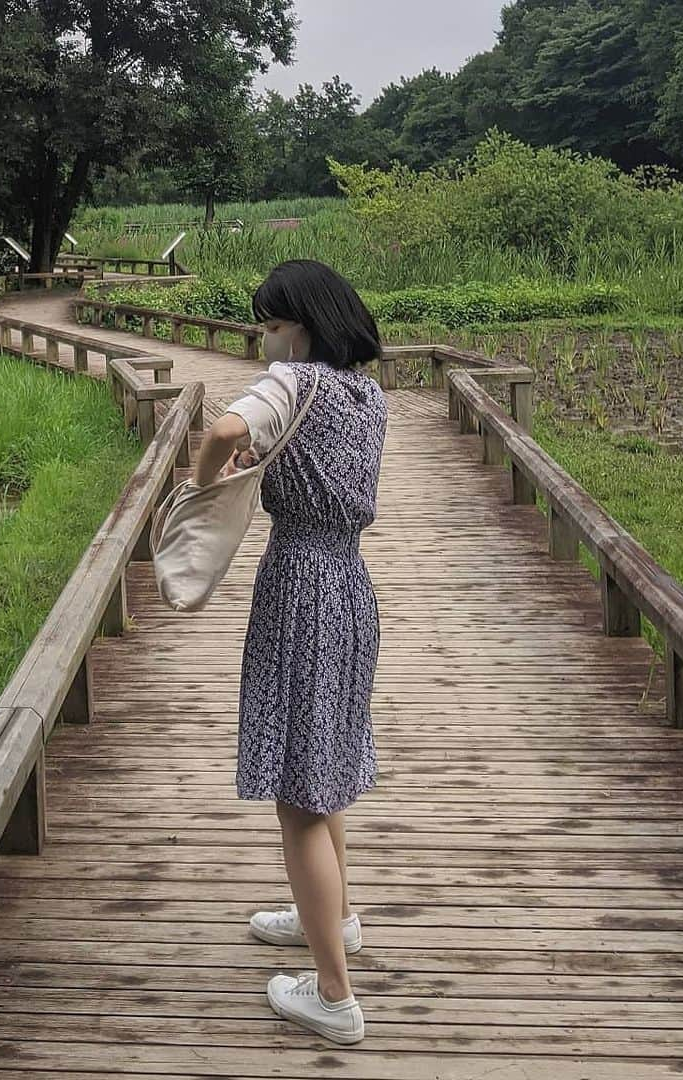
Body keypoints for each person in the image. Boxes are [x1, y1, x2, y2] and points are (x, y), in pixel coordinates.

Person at [193, 259, 388, 1044]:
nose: (264, 339)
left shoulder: (292, 383)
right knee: (326, 766)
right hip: (350, 584)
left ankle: (333, 996)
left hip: (301, 583)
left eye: (271, 323)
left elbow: (224, 428)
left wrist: (205, 482)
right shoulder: (368, 395)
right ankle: (336, 919)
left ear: (301, 326)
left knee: (299, 798)